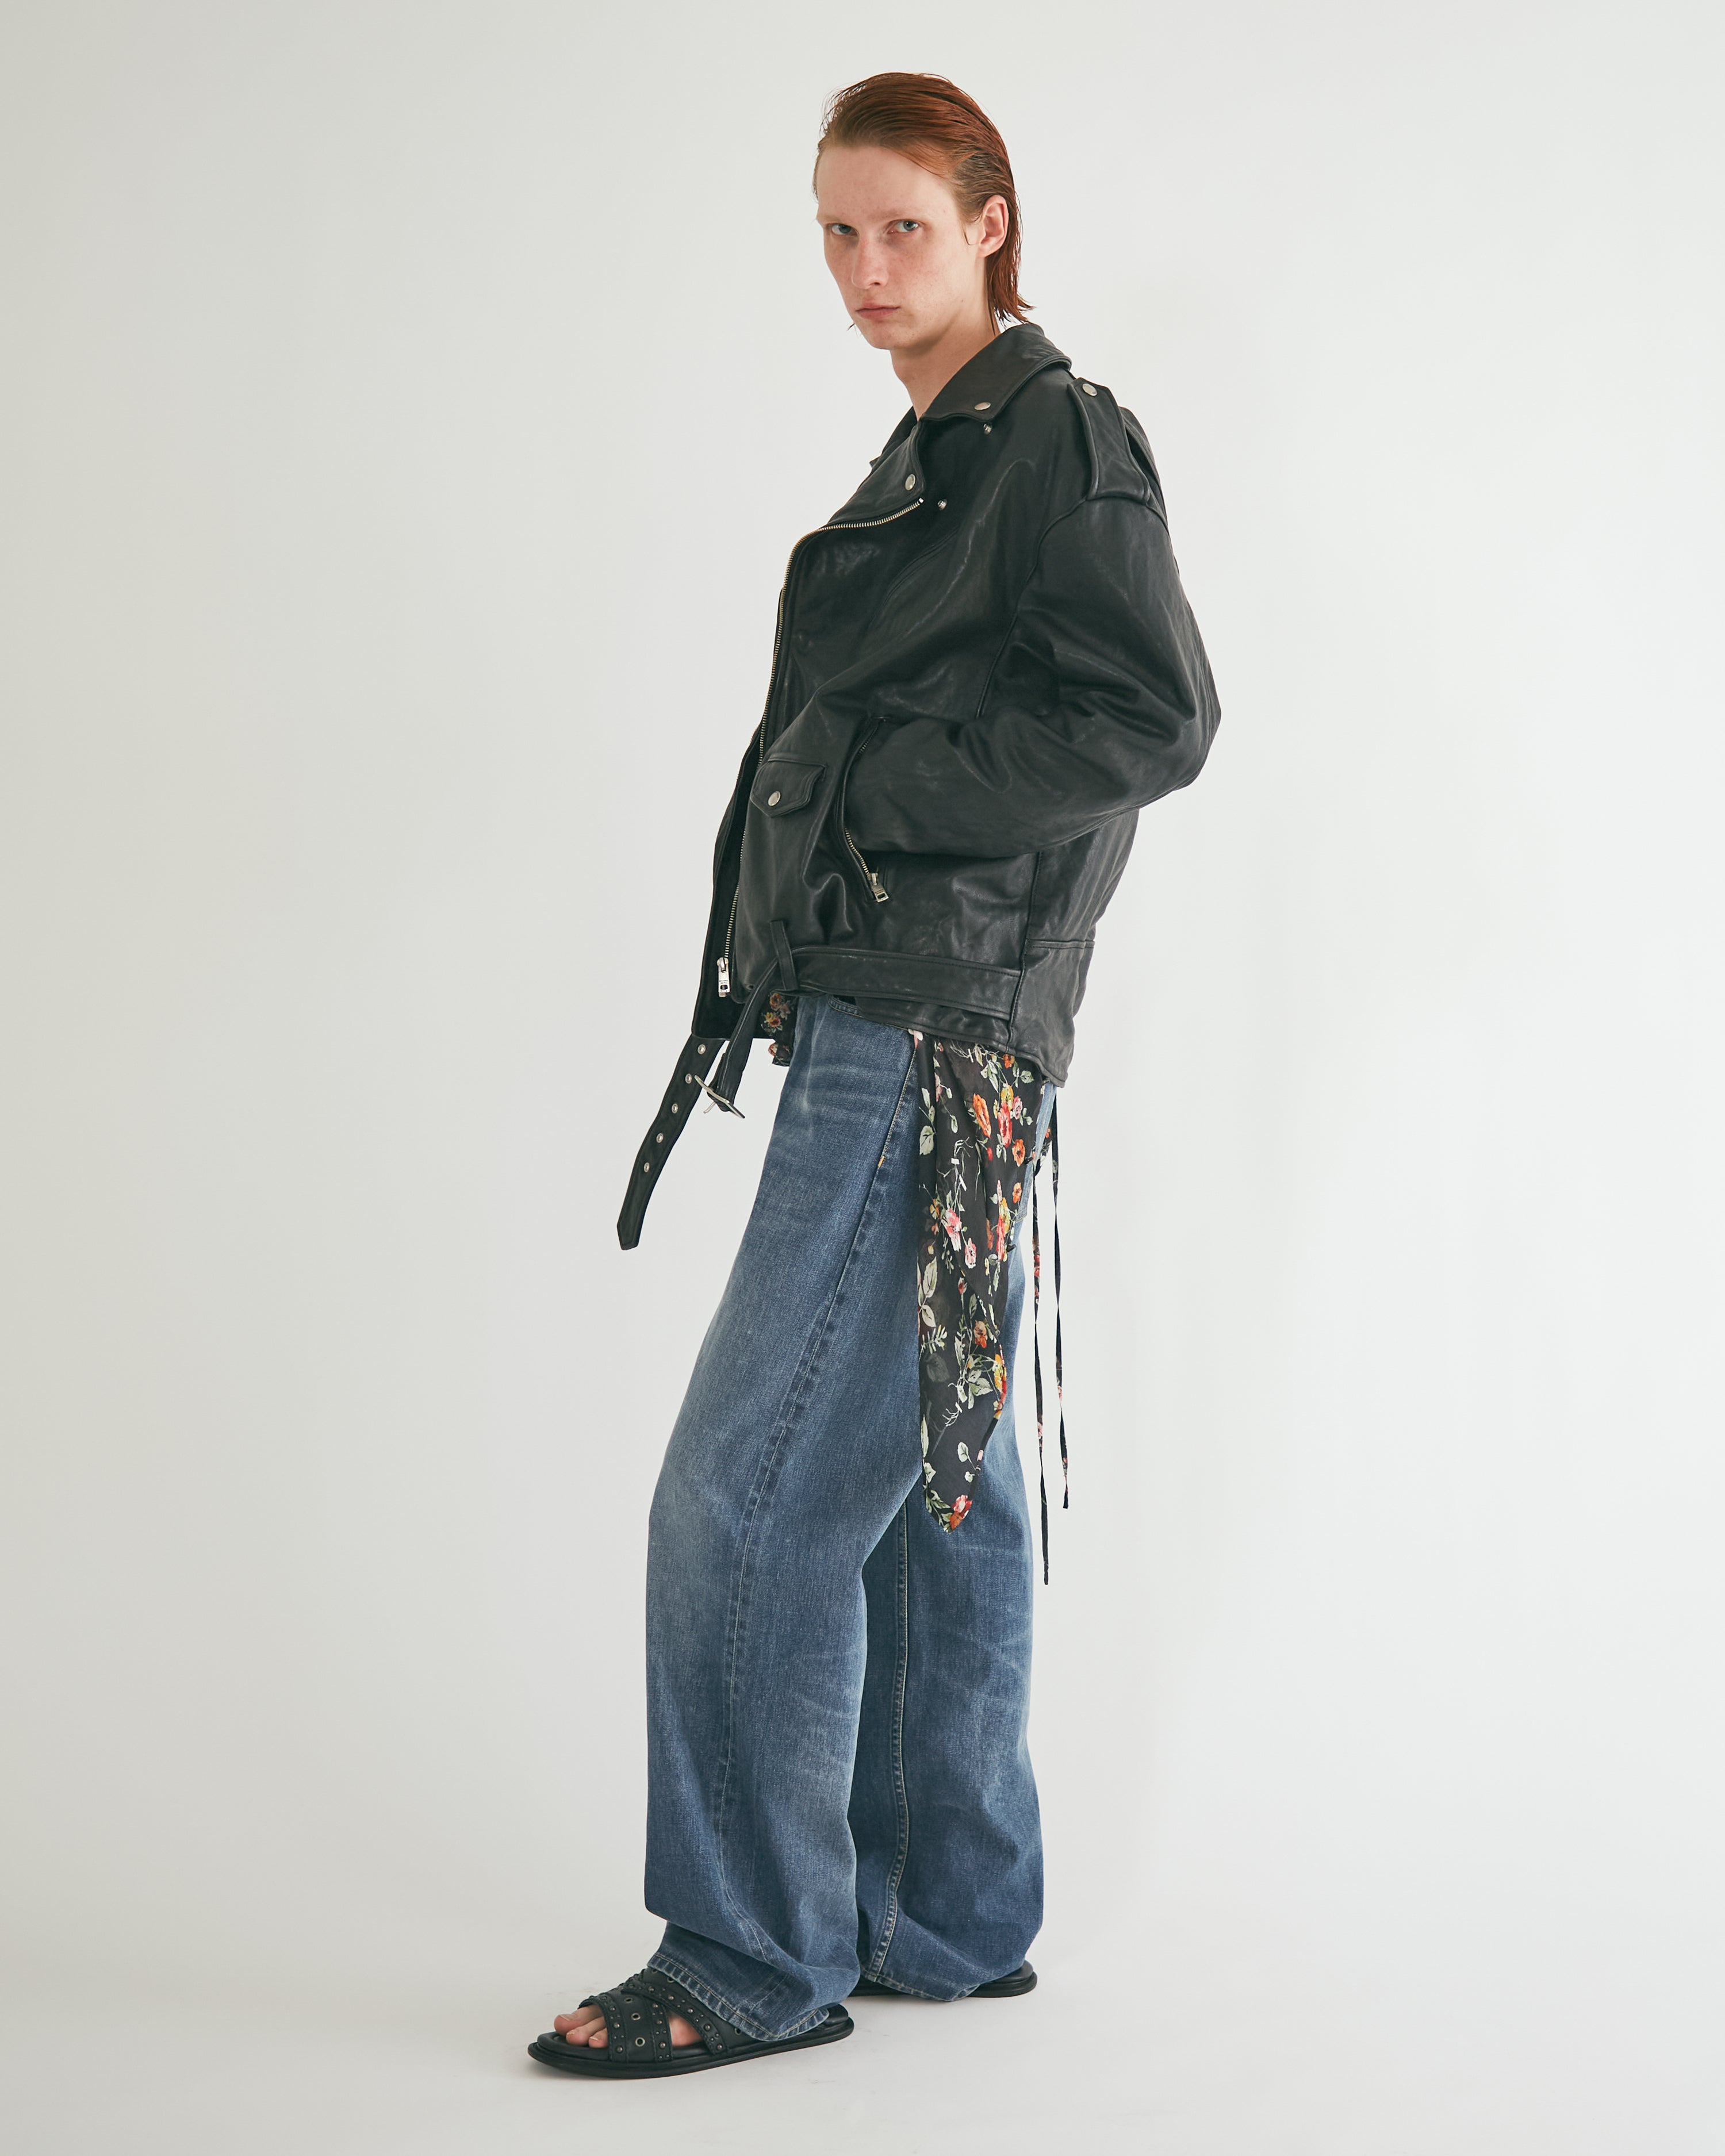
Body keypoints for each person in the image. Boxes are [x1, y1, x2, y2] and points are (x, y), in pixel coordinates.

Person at [528, 71, 1220, 2079]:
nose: (862, 268)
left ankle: (751, 1956)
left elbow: (1151, 712)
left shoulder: (1052, 435)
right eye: (836, 231)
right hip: (929, 1021)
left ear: (991, 223)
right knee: (937, 1475)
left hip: (926, 1030)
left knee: (739, 1497)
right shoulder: (946, 444)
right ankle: (943, 1911)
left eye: (902, 226)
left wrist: (876, 814)